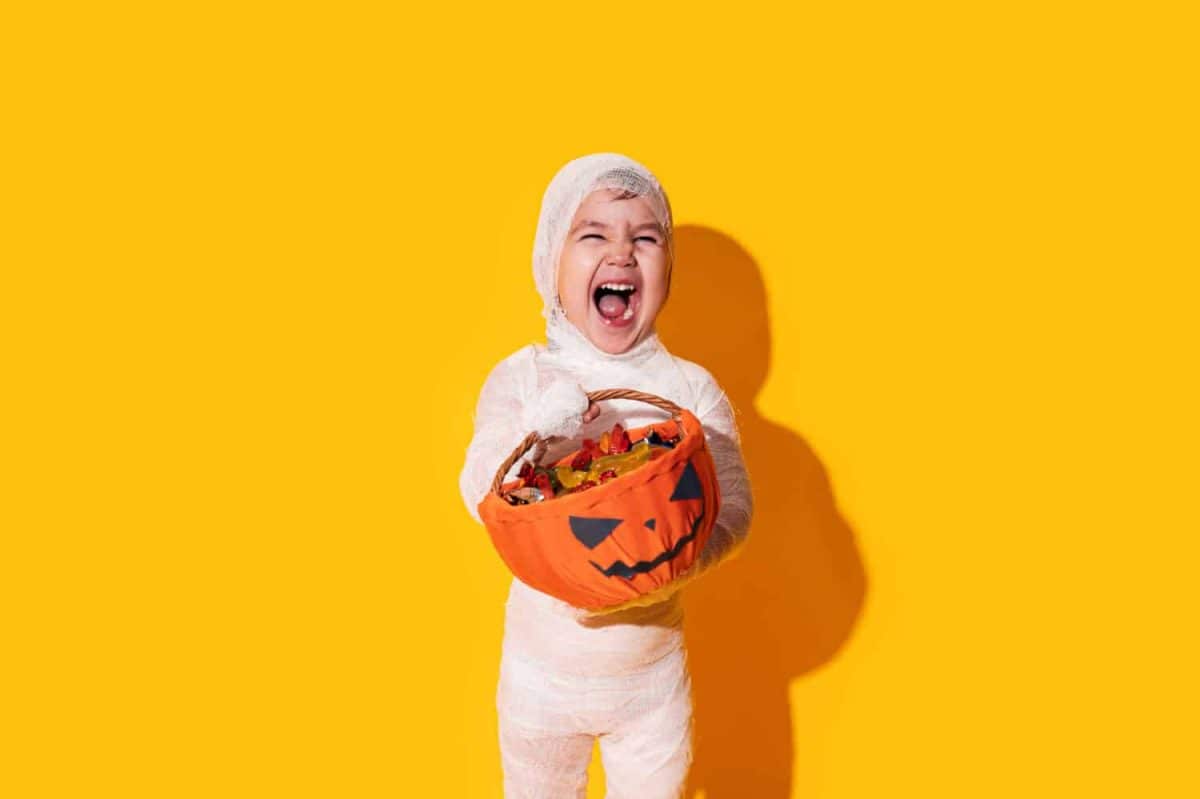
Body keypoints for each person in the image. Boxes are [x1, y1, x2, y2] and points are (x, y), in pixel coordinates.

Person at [459, 152, 754, 798]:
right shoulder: (524, 378)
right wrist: (537, 425)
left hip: (650, 685)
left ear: (666, 269)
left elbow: (734, 505)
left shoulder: (688, 392)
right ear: (551, 262)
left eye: (645, 238)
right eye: (593, 234)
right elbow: (477, 482)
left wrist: (664, 567)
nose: (621, 253)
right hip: (540, 677)